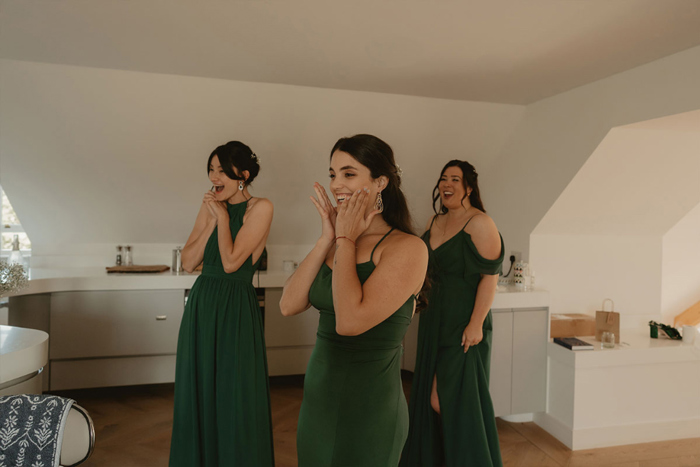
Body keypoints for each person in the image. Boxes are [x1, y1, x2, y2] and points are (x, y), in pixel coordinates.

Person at [280, 134, 428, 467]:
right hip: (319, 400)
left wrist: (346, 237)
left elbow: (349, 322)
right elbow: (288, 305)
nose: (336, 184)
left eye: (348, 174)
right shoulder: (336, 243)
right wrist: (327, 238)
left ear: (380, 182)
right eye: (333, 174)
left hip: (370, 408)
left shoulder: (406, 248)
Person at [169, 141, 274, 466]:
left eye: (221, 171)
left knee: (234, 391)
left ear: (242, 175)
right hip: (202, 305)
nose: (214, 177)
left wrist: (224, 218)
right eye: (211, 170)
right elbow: (188, 262)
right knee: (197, 388)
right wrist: (213, 220)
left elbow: (231, 263)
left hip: (235, 308)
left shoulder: (262, 207)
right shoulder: (212, 206)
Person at [401, 160, 504, 467]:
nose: (446, 184)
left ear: (469, 187)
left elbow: (490, 277)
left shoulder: (480, 223)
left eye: (455, 179)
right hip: (434, 322)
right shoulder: (436, 221)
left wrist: (475, 325)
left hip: (464, 324)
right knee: (433, 399)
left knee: (450, 399)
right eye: (443, 178)